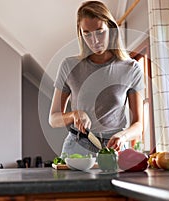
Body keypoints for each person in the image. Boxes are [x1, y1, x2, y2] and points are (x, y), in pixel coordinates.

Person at [49, 0, 144, 156]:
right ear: (80, 33)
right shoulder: (69, 66)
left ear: (111, 28)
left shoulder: (131, 69)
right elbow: (53, 118)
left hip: (115, 149)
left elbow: (138, 124)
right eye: (87, 33)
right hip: (76, 149)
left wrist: (123, 136)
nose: (95, 41)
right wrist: (74, 114)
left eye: (100, 31)